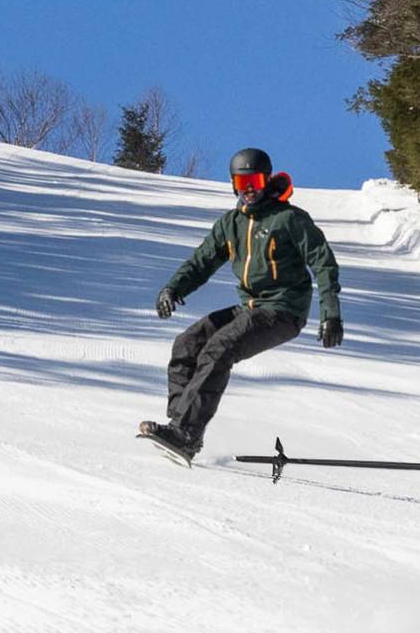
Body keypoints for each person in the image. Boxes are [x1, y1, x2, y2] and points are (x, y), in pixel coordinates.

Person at [139, 148, 344, 463]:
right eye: (242, 181)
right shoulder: (230, 224)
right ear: (234, 184)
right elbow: (202, 261)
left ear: (267, 181)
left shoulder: (288, 219)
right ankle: (178, 425)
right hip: (251, 308)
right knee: (187, 344)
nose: (249, 189)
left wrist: (330, 313)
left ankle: (186, 434)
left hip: (283, 310)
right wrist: (173, 288)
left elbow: (323, 262)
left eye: (256, 181)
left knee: (218, 348)